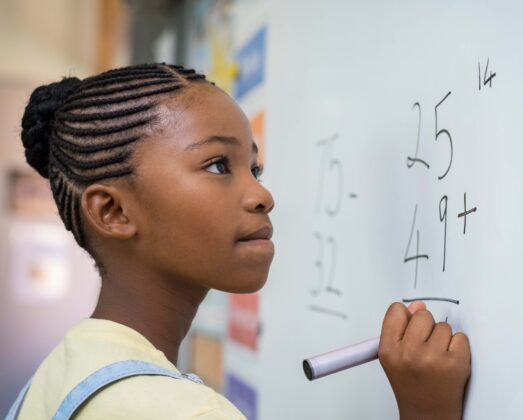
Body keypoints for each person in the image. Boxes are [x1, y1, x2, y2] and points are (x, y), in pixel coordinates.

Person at [6, 63, 471, 419]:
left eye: (256, 168)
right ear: (113, 211)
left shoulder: (65, 369)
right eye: (217, 166)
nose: (262, 195)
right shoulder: (177, 412)